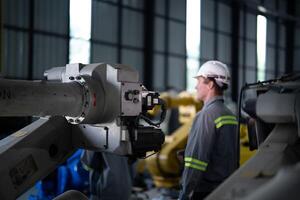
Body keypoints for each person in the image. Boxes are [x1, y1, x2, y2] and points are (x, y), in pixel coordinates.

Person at [179, 60, 238, 200]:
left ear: (210, 84)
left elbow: (196, 162)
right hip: (225, 188)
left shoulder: (206, 115)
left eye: (199, 81)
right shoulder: (230, 115)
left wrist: (185, 193)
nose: (195, 86)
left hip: (204, 192)